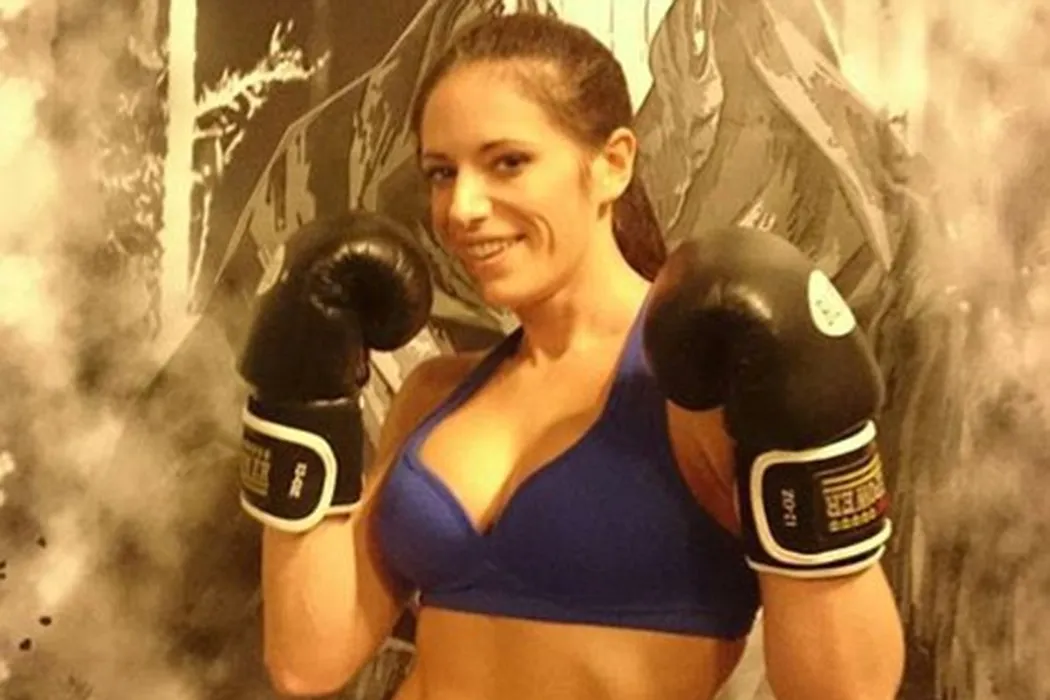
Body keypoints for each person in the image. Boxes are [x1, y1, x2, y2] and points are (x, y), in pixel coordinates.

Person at [236, 12, 905, 700]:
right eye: (441, 172)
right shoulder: (436, 393)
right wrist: (300, 394)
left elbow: (849, 692)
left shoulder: (697, 397)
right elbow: (308, 659)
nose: (461, 207)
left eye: (507, 162)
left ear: (613, 163)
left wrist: (813, 441)